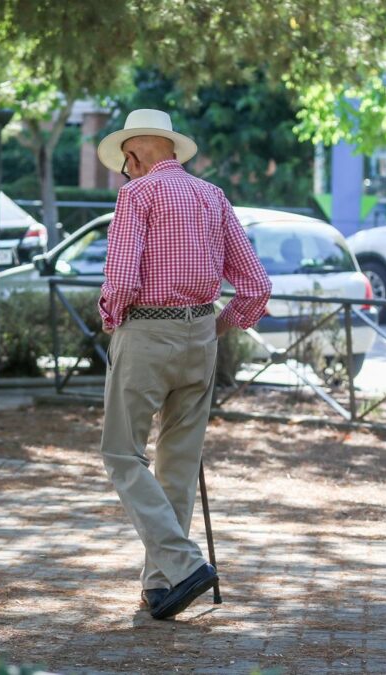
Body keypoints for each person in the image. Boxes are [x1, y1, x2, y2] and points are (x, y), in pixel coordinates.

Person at [95, 109, 271, 620]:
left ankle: (184, 563)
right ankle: (162, 585)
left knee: (123, 454)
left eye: (126, 160)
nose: (125, 169)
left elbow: (122, 280)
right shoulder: (213, 196)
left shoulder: (137, 194)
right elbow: (256, 286)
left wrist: (112, 319)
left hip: (147, 331)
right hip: (200, 335)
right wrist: (212, 326)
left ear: (134, 153)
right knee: (178, 464)